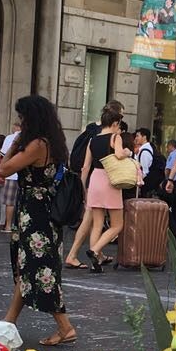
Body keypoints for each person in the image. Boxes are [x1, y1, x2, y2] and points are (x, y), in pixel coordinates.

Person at [0, 95, 75, 347]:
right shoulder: (52, 142)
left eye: (22, 118)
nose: (20, 123)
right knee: (27, 268)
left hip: (35, 215)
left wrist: (15, 143)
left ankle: (65, 326)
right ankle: (9, 321)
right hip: (39, 212)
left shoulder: (36, 145)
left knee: (41, 271)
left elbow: (4, 170)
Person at [63, 100, 124, 269]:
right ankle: (95, 250)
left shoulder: (92, 140)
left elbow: (85, 166)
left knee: (96, 223)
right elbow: (119, 155)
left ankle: (96, 260)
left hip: (94, 180)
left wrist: (83, 188)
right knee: (117, 224)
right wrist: (126, 152)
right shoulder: (115, 137)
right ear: (114, 123)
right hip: (109, 180)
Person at [0, 119, 21, 232]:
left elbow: (3, 155)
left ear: (16, 126)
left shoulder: (10, 138)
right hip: (22, 174)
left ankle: (8, 225)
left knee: (10, 202)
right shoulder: (29, 138)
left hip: (11, 174)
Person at [162, 139, 176, 238]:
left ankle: (173, 229)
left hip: (173, 183)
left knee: (168, 206)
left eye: (168, 147)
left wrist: (166, 180)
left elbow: (168, 169)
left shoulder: (173, 155)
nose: (167, 149)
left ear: (171, 146)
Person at [133, 127, 159, 196]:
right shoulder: (144, 149)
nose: (136, 138)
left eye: (137, 136)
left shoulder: (145, 152)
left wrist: (138, 184)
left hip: (145, 186)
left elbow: (145, 171)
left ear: (144, 137)